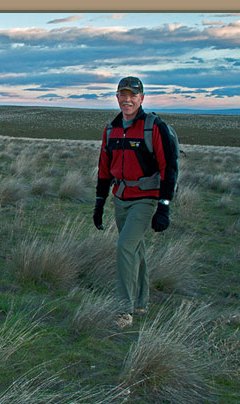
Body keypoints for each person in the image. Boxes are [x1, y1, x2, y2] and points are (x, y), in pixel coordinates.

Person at [92, 76, 178, 328]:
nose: (127, 100)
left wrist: (164, 206)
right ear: (117, 97)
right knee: (135, 249)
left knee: (124, 247)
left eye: (133, 95)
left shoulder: (154, 127)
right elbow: (104, 169)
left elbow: (169, 167)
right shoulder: (112, 129)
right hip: (121, 198)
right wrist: (100, 203)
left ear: (141, 98)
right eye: (123, 95)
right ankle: (141, 302)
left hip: (145, 199)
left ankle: (123, 309)